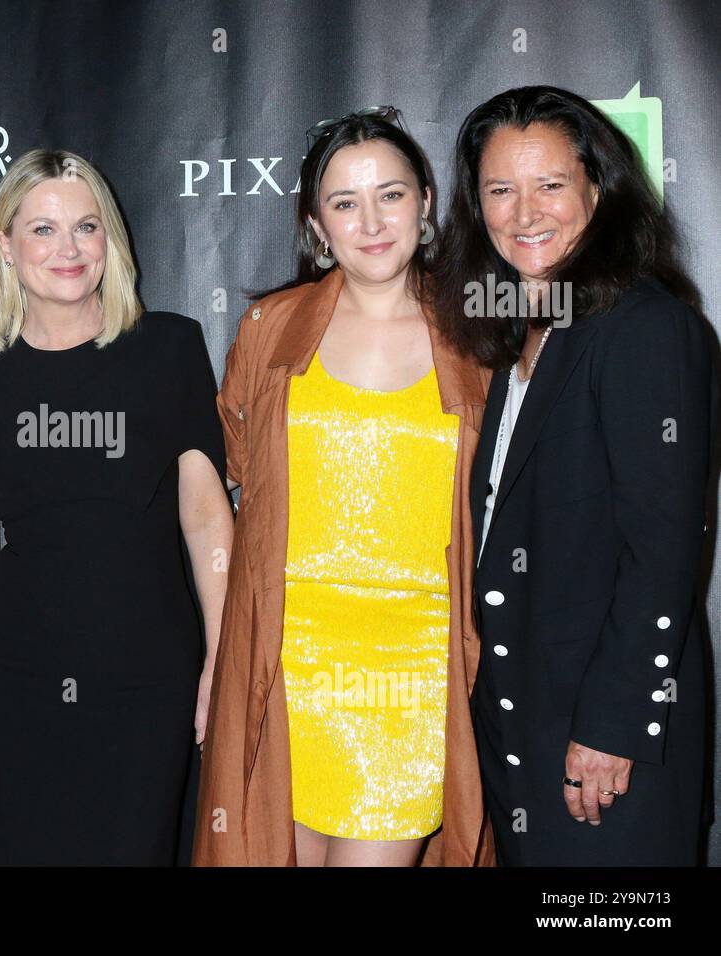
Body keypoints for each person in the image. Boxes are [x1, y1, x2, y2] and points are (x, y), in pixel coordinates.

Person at [195, 108, 494, 867]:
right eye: (345, 202)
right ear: (315, 223)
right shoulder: (270, 328)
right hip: (288, 664)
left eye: (391, 195)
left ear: (427, 201)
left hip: (415, 673)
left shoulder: (479, 336)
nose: (371, 222)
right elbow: (240, 474)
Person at [0, 148, 232, 865]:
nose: (69, 249)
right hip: (16, 684)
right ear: (5, 245)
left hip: (148, 678)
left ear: (110, 240)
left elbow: (208, 519)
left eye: (86, 228)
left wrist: (223, 658)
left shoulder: (169, 349)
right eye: (43, 230)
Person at [432, 85, 711, 866]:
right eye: (500, 190)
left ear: (598, 188)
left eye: (550, 184)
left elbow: (663, 552)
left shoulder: (647, 328)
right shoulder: (523, 334)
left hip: (602, 743)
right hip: (524, 728)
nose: (525, 213)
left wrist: (613, 726)